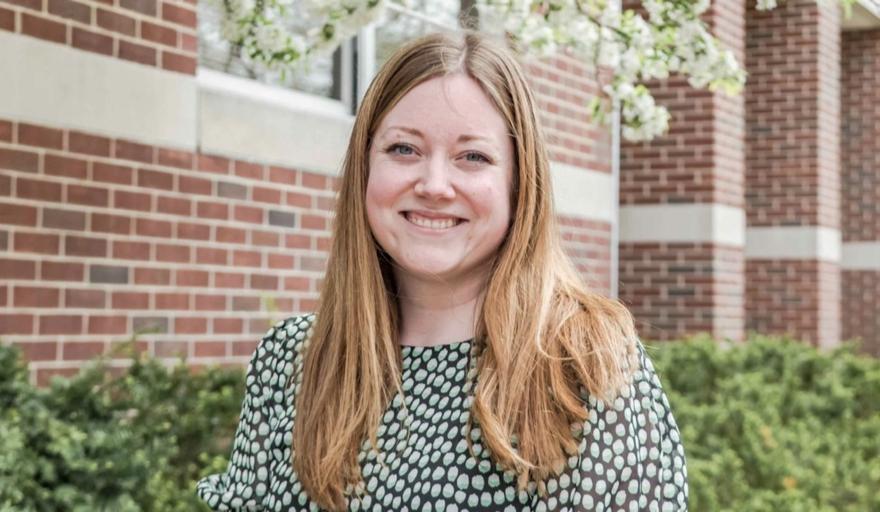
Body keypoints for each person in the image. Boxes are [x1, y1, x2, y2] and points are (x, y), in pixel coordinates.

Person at [196, 30, 688, 511]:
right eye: (403, 149)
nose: (434, 184)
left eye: (472, 157)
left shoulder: (584, 362)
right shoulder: (291, 361)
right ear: (366, 167)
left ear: (519, 184)